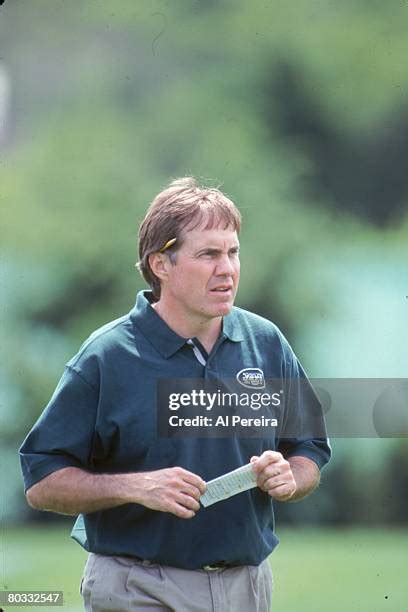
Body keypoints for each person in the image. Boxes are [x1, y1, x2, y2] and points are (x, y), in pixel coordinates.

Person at [20, 177, 331, 612]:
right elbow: (42, 481)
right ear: (161, 264)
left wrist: (290, 478)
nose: (227, 269)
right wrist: (135, 486)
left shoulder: (266, 342)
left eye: (233, 252)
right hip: (138, 586)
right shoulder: (108, 356)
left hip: (248, 586)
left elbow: (308, 449)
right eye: (208, 254)